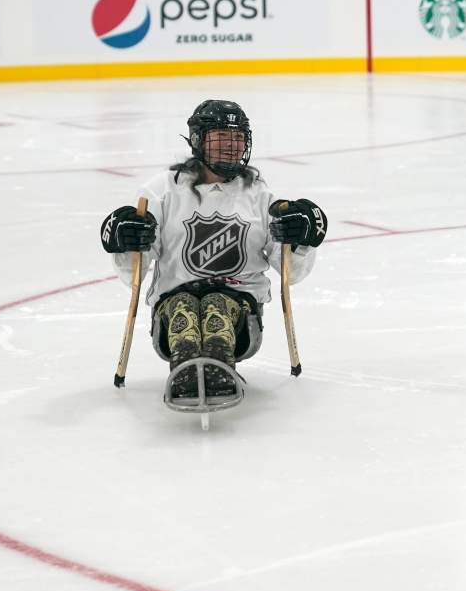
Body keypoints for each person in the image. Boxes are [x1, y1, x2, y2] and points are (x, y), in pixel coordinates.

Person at [100, 99, 327, 401]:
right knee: (183, 304)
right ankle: (188, 369)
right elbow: (135, 274)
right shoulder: (162, 191)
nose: (232, 146)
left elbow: (291, 273)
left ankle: (217, 367)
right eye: (222, 137)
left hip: (241, 314)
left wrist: (302, 241)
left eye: (238, 138)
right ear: (197, 140)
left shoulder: (259, 195)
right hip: (171, 308)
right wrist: (124, 242)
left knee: (216, 304)